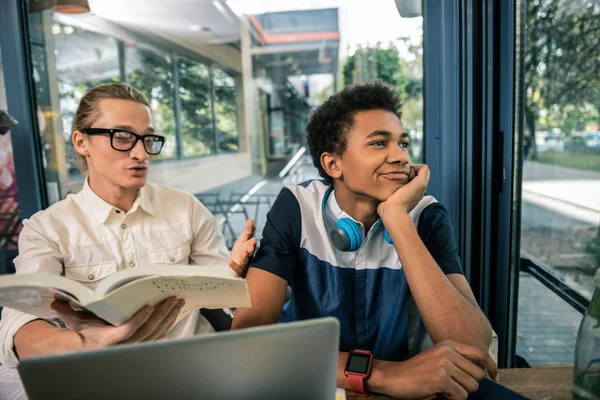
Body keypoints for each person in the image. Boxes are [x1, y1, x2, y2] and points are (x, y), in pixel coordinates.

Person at [232, 81, 498, 400]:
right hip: (313, 384)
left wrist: (398, 220)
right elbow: (247, 338)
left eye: (403, 143)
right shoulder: (297, 207)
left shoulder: (426, 216)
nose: (399, 156)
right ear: (333, 164)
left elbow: (473, 348)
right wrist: (382, 375)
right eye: (379, 144)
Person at [0, 83, 255, 367]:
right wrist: (86, 346)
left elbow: (226, 294)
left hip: (192, 367)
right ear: (81, 142)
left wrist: (236, 273)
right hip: (102, 376)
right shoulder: (48, 228)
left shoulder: (184, 208)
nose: (141, 155)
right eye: (122, 137)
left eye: (148, 139)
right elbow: (19, 327)